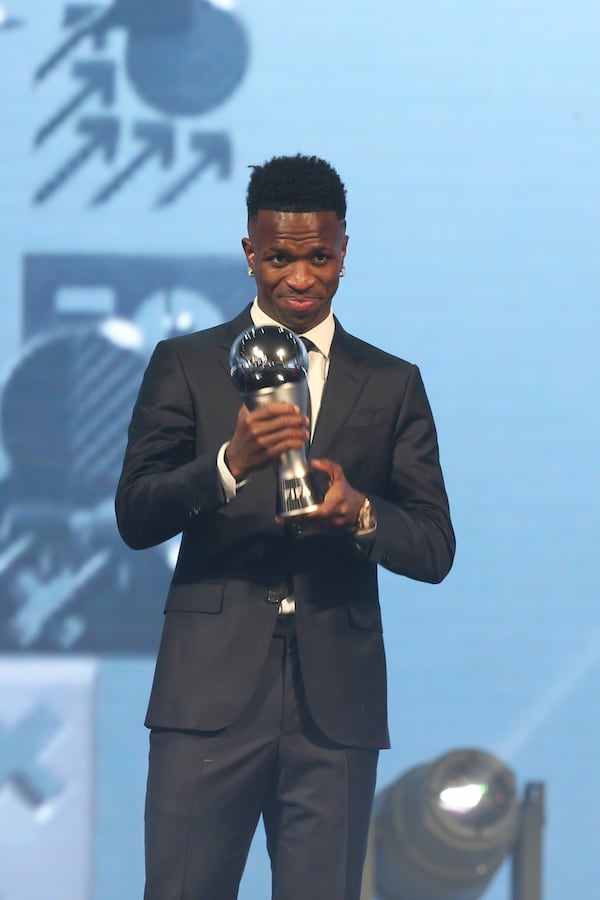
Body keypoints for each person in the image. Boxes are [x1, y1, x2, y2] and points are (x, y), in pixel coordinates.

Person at [115, 154, 455, 900]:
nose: (299, 278)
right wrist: (228, 464)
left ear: (342, 251)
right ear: (249, 253)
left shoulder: (393, 383)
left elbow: (433, 546)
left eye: (318, 257)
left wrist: (359, 513)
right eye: (278, 257)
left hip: (335, 704)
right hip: (207, 694)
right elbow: (136, 514)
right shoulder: (187, 364)